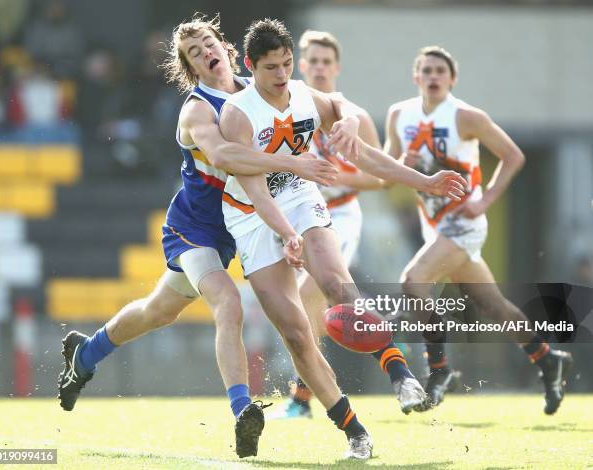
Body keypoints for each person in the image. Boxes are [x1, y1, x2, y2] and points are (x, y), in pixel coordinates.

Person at [57, 14, 338, 459]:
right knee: (228, 302)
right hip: (196, 227)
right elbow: (226, 153)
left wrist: (346, 126)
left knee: (158, 311)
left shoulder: (260, 86)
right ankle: (244, 411)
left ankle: (85, 356)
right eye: (194, 53)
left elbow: (321, 105)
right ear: (191, 68)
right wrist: (297, 165)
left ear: (225, 47)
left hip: (239, 225)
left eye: (208, 42)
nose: (205, 52)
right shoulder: (196, 110)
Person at [218, 19, 466, 459]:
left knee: (336, 284)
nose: (281, 75)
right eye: (271, 67)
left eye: (287, 64)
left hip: (299, 197)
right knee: (296, 334)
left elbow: (364, 148)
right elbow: (253, 188)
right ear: (249, 65)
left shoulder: (304, 96)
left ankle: (402, 377)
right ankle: (354, 431)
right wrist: (287, 234)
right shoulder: (238, 113)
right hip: (251, 218)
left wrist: (423, 181)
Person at [384, 45, 573, 413]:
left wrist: (484, 202)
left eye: (441, 71)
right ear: (416, 76)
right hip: (435, 226)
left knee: (413, 280)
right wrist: (399, 162)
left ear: (453, 79)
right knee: (494, 305)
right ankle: (548, 359)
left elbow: (513, 155)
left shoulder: (466, 116)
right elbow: (389, 169)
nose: (433, 76)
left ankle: (439, 370)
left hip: (465, 223)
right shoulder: (398, 114)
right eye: (427, 70)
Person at [275, 30, 430, 420]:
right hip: (298, 218)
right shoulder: (289, 109)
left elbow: (381, 177)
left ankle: (310, 396)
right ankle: (376, 332)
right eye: (313, 60)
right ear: (302, 65)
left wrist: (340, 177)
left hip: (339, 215)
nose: (320, 67)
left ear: (337, 67)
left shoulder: (354, 116)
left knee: (315, 292)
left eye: (327, 61)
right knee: (309, 305)